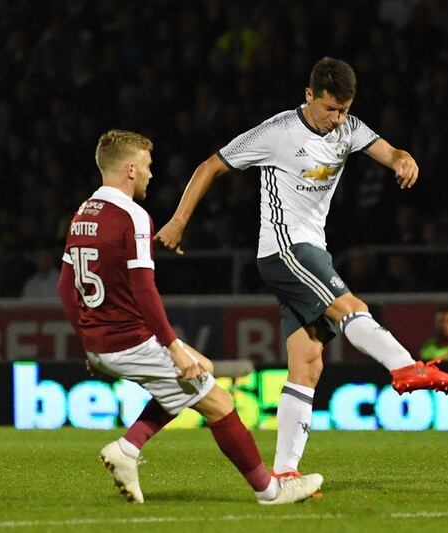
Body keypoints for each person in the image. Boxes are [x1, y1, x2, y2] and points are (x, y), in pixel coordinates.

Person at [155, 57, 448, 479]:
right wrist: (177, 221)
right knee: (349, 305)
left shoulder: (349, 128)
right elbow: (210, 165)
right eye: (329, 110)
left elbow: (387, 150)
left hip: (310, 250)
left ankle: (284, 473)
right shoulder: (278, 132)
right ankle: (403, 366)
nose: (336, 120)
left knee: (307, 361)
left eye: (343, 110)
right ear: (308, 96)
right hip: (284, 248)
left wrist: (402, 158)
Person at [57, 130, 321, 505]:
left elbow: (66, 288)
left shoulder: (83, 213)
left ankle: (129, 448)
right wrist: (172, 347)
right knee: (219, 403)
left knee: (203, 367)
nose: (151, 174)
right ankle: (270, 490)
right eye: (147, 166)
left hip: (102, 344)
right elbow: (145, 292)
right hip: (129, 340)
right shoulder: (132, 216)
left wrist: (88, 342)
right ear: (130, 169)